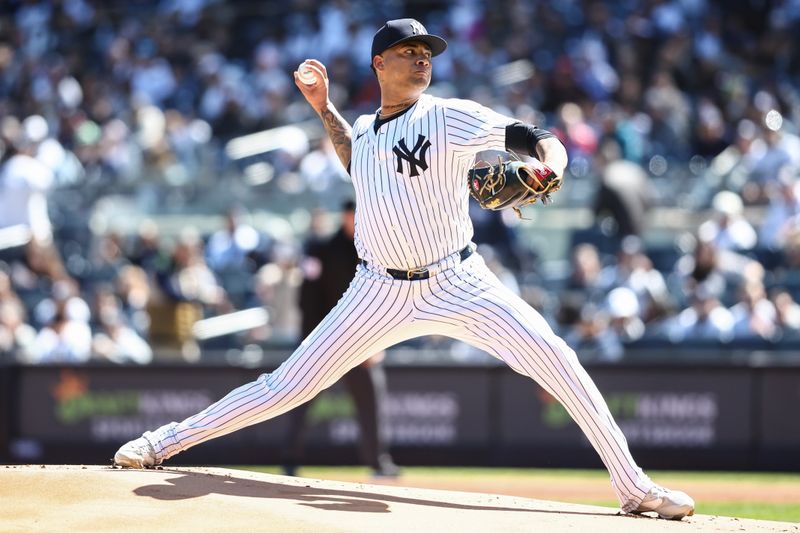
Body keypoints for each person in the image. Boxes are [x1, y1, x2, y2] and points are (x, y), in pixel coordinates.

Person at [114, 18, 694, 520]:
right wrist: (323, 108)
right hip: (376, 289)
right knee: (285, 387)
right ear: (379, 65)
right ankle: (162, 442)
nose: (422, 59)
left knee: (558, 360)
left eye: (427, 54)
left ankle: (633, 487)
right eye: (410, 53)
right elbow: (354, 155)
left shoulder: (449, 117)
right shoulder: (366, 130)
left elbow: (535, 136)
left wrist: (552, 168)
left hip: (458, 280)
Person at [282, 200, 399, 478]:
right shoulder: (321, 248)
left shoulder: (374, 250)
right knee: (298, 396)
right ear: (345, 216)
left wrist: (377, 342)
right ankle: (289, 460)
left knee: (371, 401)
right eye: (352, 215)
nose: (356, 220)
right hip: (323, 338)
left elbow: (383, 300)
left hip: (361, 341)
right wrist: (310, 340)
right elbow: (307, 299)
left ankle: (378, 462)